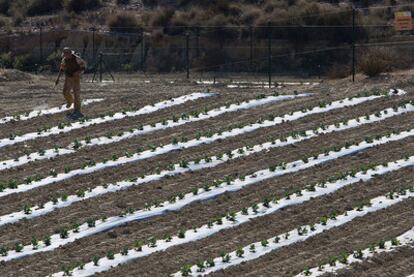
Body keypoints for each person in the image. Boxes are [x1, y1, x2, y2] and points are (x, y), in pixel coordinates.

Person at [55, 47, 86, 120]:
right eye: (64, 54)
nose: (65, 56)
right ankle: (70, 101)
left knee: (76, 93)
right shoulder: (64, 60)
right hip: (68, 77)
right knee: (65, 92)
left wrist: (78, 73)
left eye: (67, 54)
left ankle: (77, 110)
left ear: (70, 54)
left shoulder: (77, 59)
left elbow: (83, 67)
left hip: (76, 77)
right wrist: (58, 78)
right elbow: (62, 69)